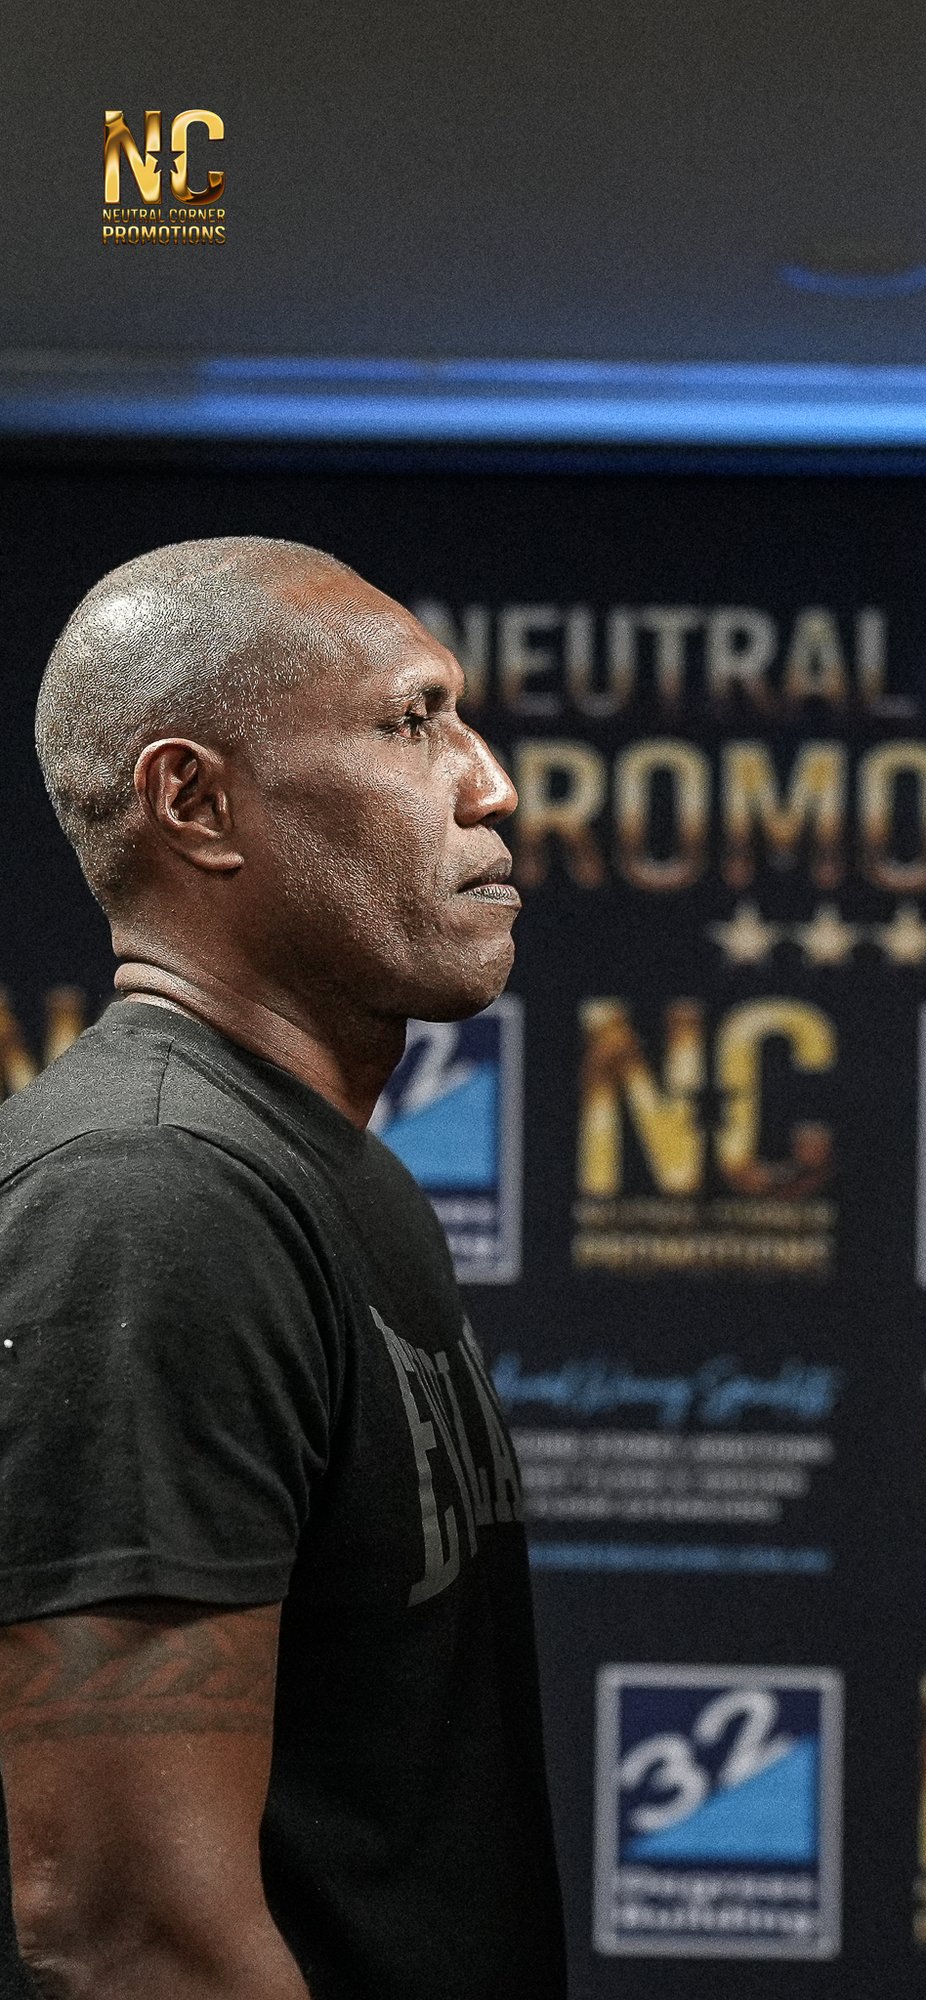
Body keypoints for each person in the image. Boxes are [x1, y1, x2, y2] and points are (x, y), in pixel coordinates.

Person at [0, 539, 566, 1998]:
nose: (491, 785)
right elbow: (128, 1930)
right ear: (195, 802)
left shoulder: (327, 1175)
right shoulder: (150, 1198)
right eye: (410, 723)